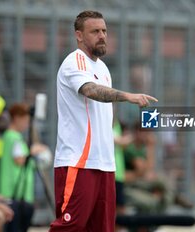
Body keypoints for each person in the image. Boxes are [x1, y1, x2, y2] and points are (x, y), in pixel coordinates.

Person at [49, 10, 157, 232]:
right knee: (69, 227)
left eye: (104, 31)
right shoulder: (74, 62)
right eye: (95, 31)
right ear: (79, 35)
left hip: (105, 164)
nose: (102, 36)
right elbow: (91, 90)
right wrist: (128, 96)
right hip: (78, 163)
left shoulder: (103, 68)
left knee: (103, 228)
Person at [0, 103, 47, 232]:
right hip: (13, 194)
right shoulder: (12, 136)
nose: (26, 124)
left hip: (21, 195)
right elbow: (19, 159)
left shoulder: (16, 137)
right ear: (16, 118)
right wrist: (34, 151)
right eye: (24, 120)